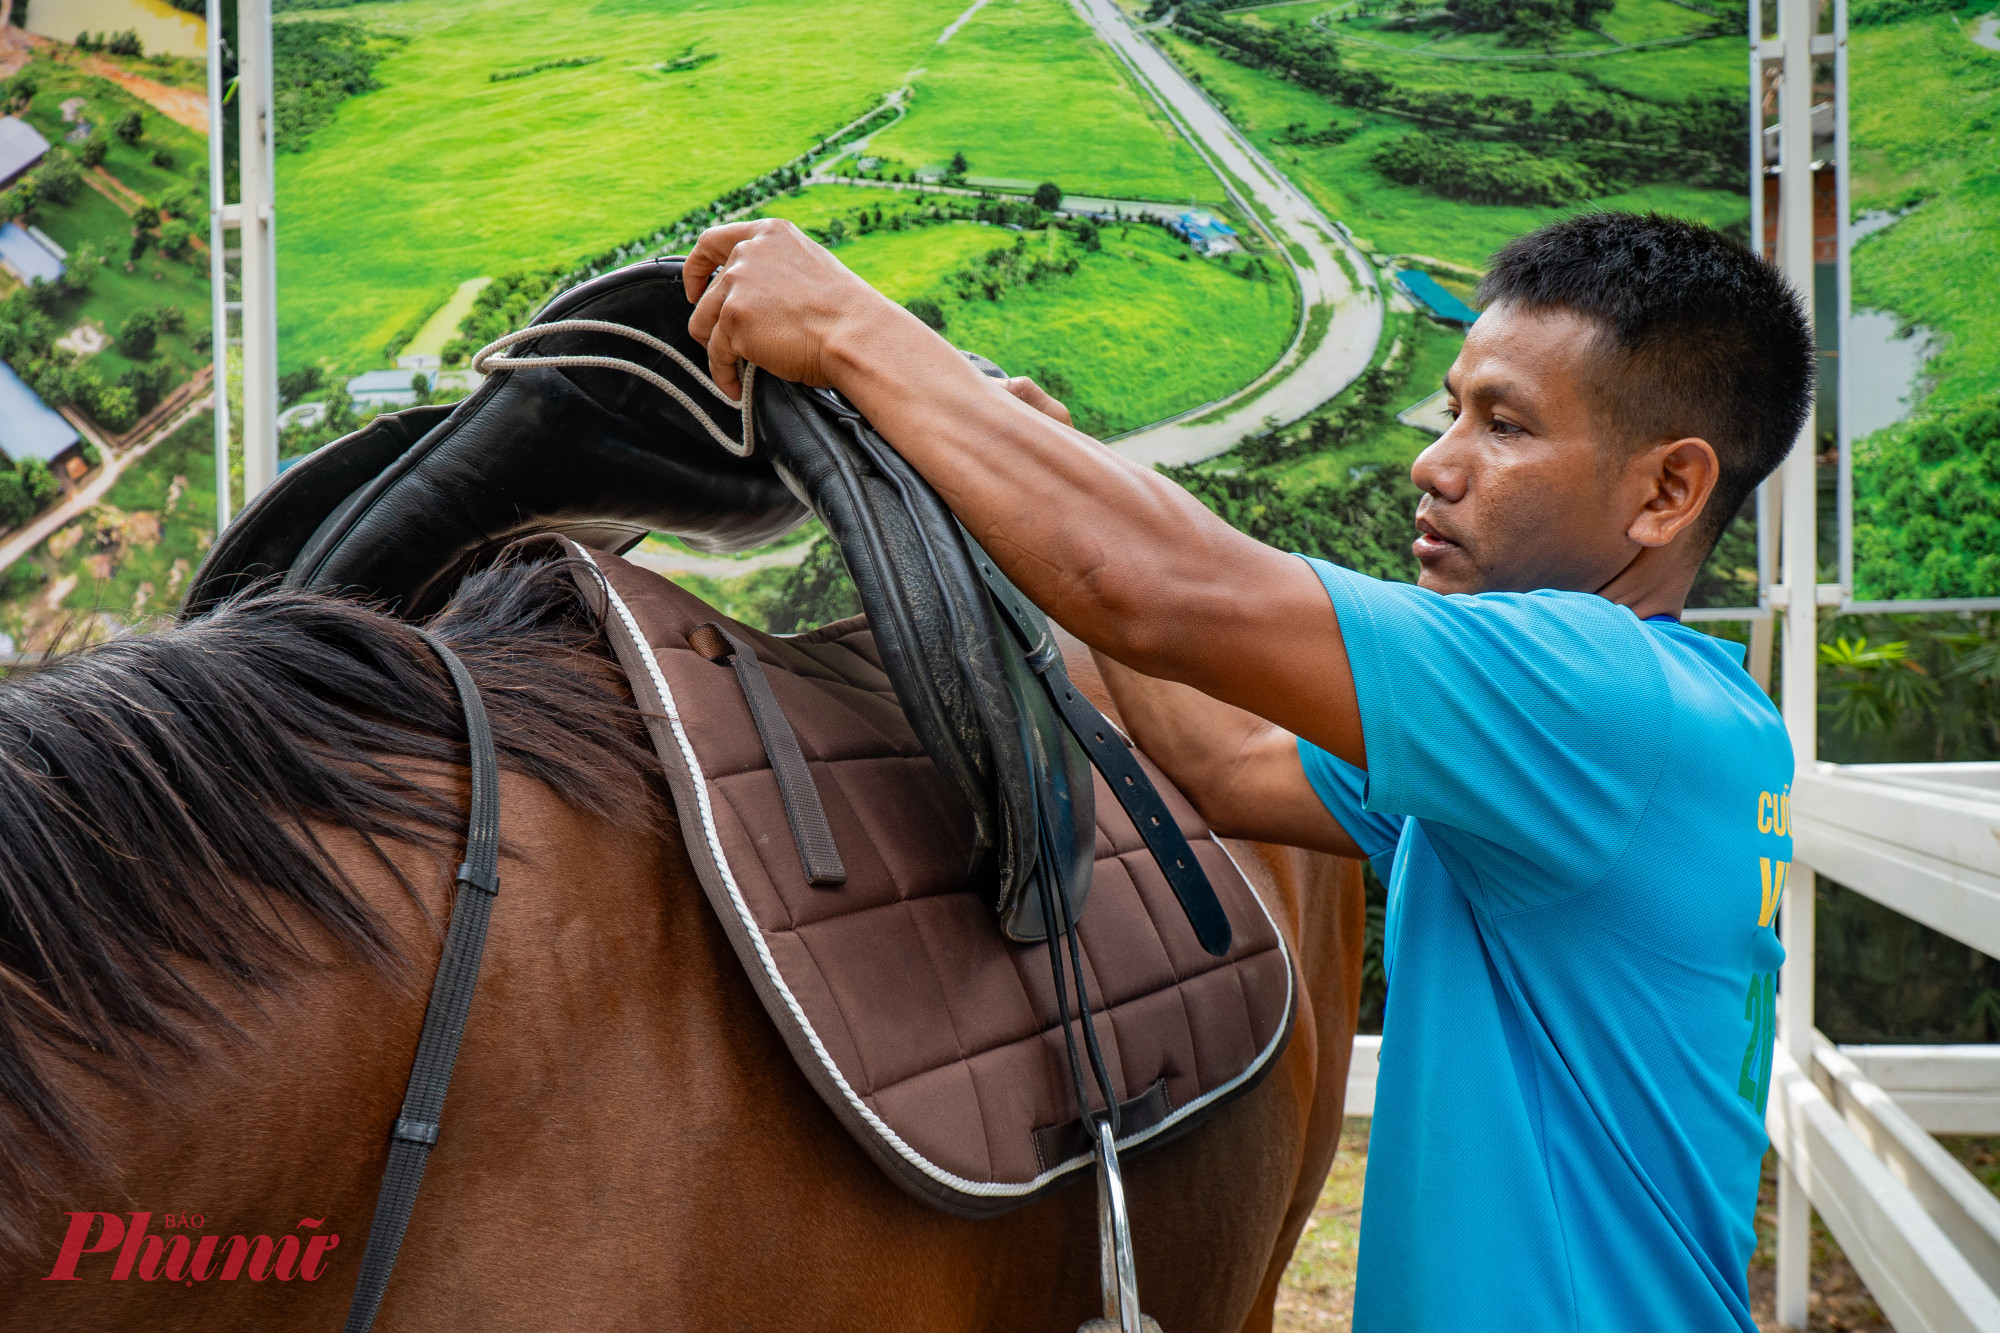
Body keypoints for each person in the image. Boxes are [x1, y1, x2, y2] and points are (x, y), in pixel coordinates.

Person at [681, 210, 1812, 1332]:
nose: (1435, 460)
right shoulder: (1648, 725)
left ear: (1665, 492)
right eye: (1450, 408)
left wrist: (845, 329)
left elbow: (1163, 593)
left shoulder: (1592, 695)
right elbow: (1229, 760)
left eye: (1504, 427)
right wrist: (1031, 469)